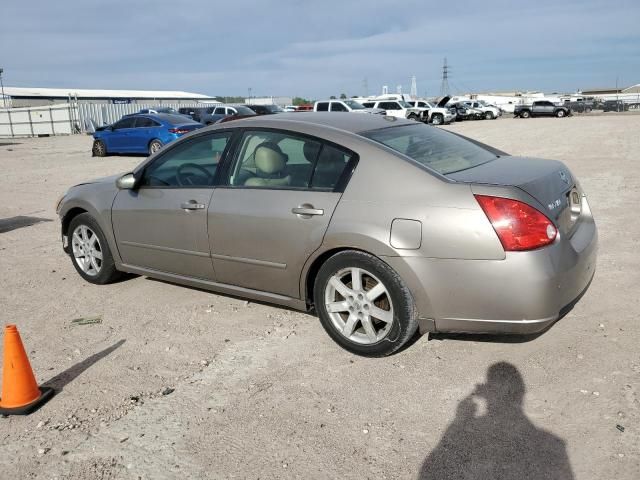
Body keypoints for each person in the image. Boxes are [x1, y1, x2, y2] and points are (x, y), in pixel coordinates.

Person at [419, 362, 574, 480]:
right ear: (521, 392)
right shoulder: (554, 443)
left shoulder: (473, 427)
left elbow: (428, 469)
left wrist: (461, 418)